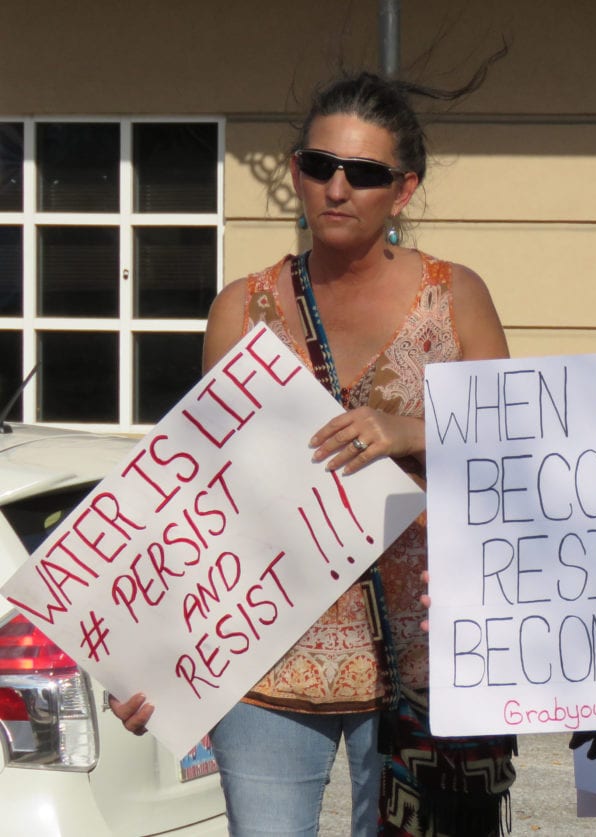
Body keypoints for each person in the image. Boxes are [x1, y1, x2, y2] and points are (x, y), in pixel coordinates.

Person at [110, 70, 512, 837]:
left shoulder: (453, 296)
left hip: (423, 658)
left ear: (403, 189)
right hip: (264, 656)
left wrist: (413, 431)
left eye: (364, 173)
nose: (337, 186)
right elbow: (201, 501)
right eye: (318, 165)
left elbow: (517, 454)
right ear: (295, 171)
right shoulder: (243, 306)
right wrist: (147, 660)